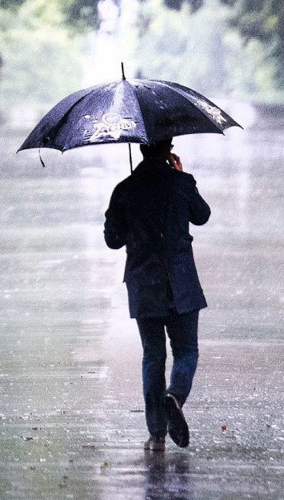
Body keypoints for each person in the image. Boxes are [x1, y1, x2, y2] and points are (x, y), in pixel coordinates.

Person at [103, 138, 211, 452]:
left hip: (144, 283)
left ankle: (157, 432)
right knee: (187, 350)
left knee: (153, 356)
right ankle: (174, 396)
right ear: (169, 150)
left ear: (140, 149)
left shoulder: (125, 189)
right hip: (181, 282)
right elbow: (201, 215)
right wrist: (182, 176)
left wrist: (125, 214)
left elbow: (113, 240)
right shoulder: (181, 183)